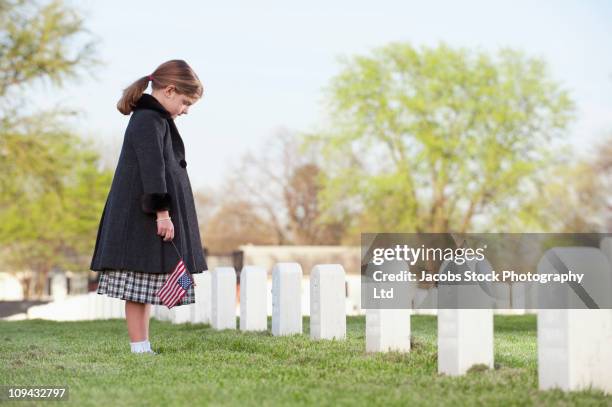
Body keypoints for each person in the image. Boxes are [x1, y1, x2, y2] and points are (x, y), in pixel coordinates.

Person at [90, 59, 208, 354]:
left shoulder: (157, 120)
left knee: (142, 284)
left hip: (147, 214)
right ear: (169, 91)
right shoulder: (147, 120)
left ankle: (142, 346)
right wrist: (163, 213)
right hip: (142, 216)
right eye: (185, 102)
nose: (186, 110)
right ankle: (139, 347)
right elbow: (152, 169)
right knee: (136, 283)